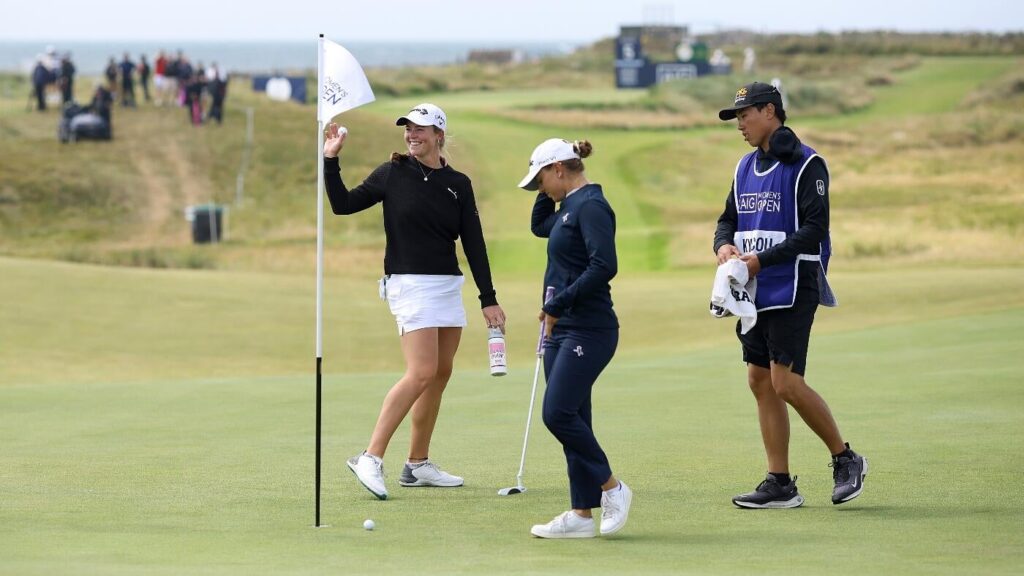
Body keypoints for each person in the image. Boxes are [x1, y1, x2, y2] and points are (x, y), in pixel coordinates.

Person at [322, 103, 506, 501]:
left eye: (420, 129)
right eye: (408, 129)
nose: (411, 135)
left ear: (439, 134)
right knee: (421, 371)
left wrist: (487, 298)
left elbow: (473, 243)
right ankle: (370, 456)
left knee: (439, 374)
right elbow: (343, 204)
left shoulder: (459, 183)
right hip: (409, 285)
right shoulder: (393, 173)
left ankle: (418, 464)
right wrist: (330, 160)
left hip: (446, 285)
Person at [713, 82, 867, 508]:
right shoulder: (744, 166)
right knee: (759, 379)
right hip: (754, 291)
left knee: (785, 382)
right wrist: (723, 247)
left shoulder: (807, 164)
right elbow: (727, 219)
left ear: (769, 112)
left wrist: (758, 262)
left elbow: (815, 231)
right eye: (736, 117)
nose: (740, 124)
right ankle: (779, 482)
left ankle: (846, 458)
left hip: (795, 285)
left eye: (744, 115)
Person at [517, 138, 632, 539]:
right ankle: (581, 515)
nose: (541, 189)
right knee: (575, 418)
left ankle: (612, 488)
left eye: (542, 179)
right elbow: (538, 226)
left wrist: (557, 304)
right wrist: (543, 184)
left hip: (591, 327)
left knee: (558, 414)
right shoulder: (567, 209)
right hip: (562, 328)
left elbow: (605, 265)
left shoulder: (592, 207)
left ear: (560, 170)